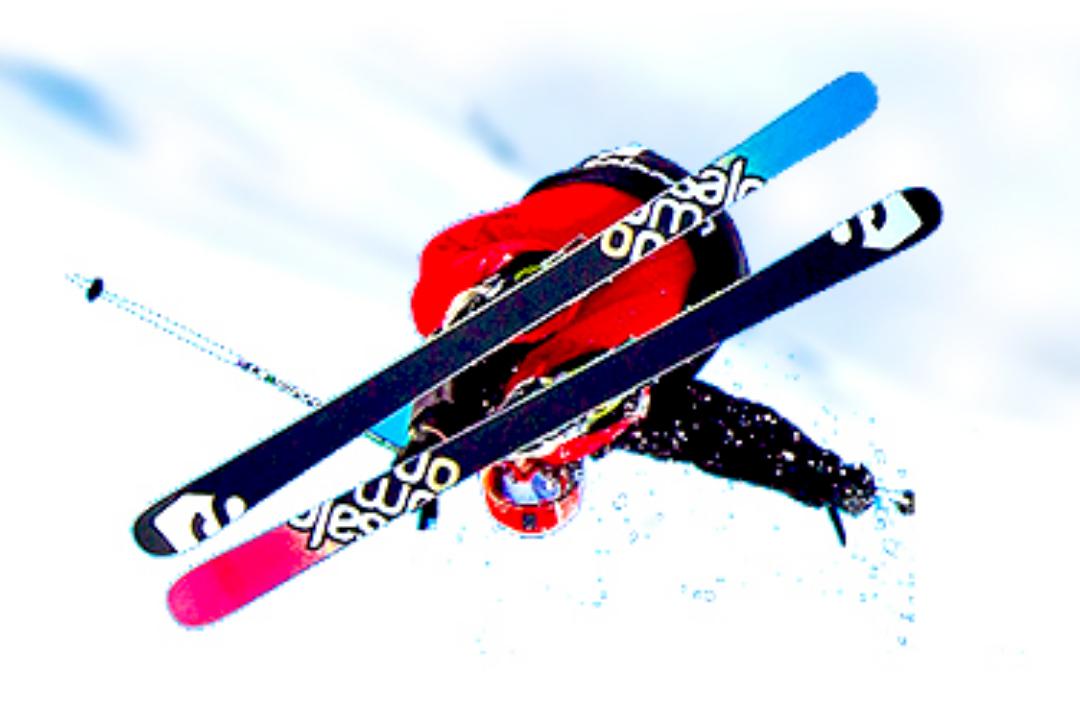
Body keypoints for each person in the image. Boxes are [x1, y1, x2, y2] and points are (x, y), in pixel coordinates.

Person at [400, 147, 880, 541]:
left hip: (584, 204)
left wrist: (432, 431)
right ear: (574, 475)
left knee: (437, 315)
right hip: (695, 267)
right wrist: (820, 476)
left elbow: (445, 367)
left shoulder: (466, 389)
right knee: (637, 408)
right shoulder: (634, 424)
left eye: (512, 484)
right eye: (546, 483)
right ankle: (578, 398)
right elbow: (725, 436)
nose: (527, 473)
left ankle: (509, 297)